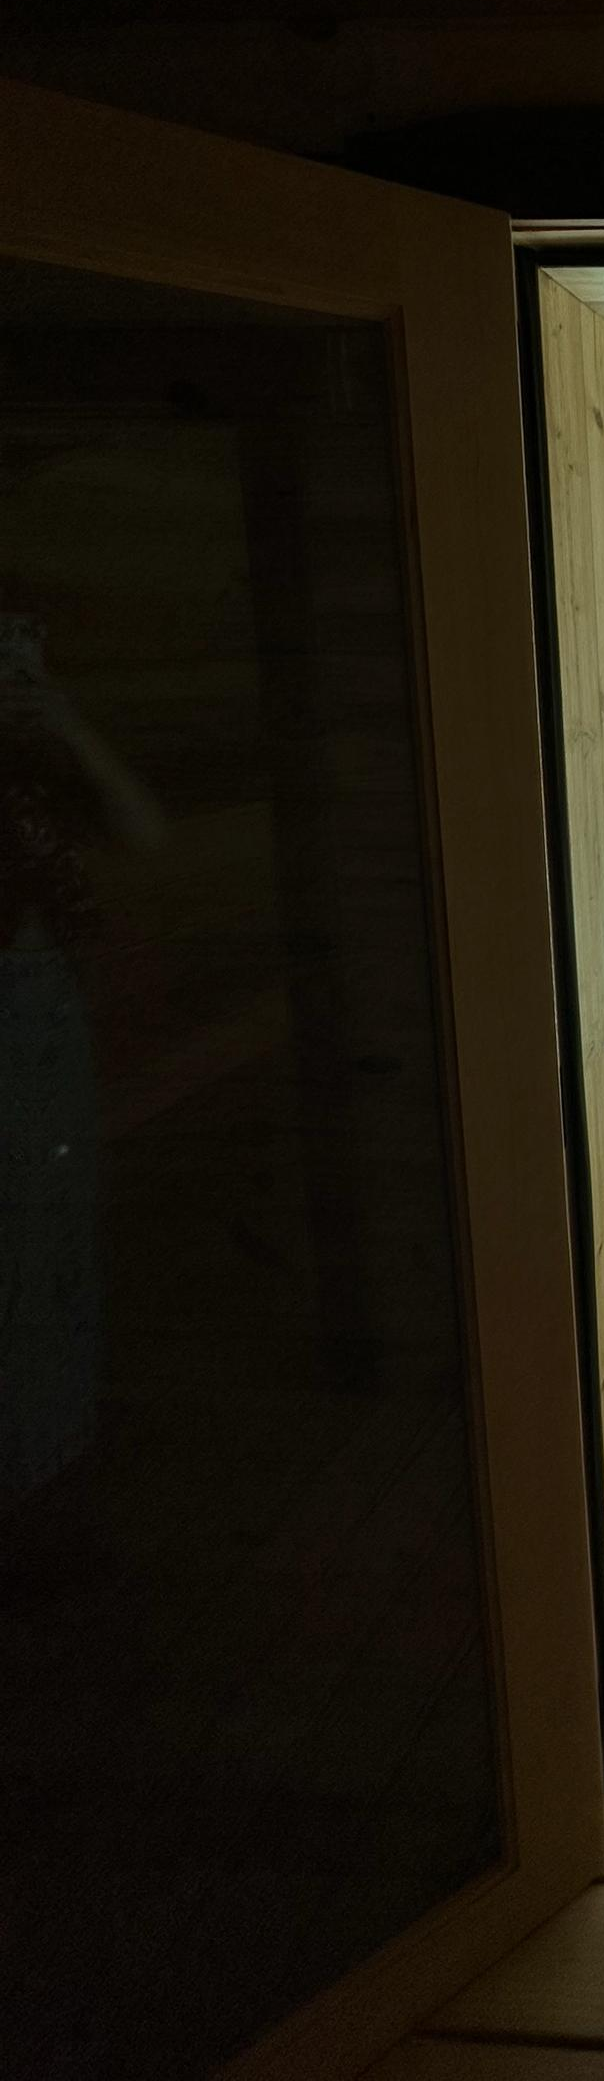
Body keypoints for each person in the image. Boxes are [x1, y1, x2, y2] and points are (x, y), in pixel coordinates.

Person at [0, 605, 163, 1510]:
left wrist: (65, 724)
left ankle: (58, 1440)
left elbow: (143, 829)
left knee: (58, 1215)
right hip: (20, 1002)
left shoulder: (43, 764)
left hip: (49, 996)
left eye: (26, 654)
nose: (15, 675)